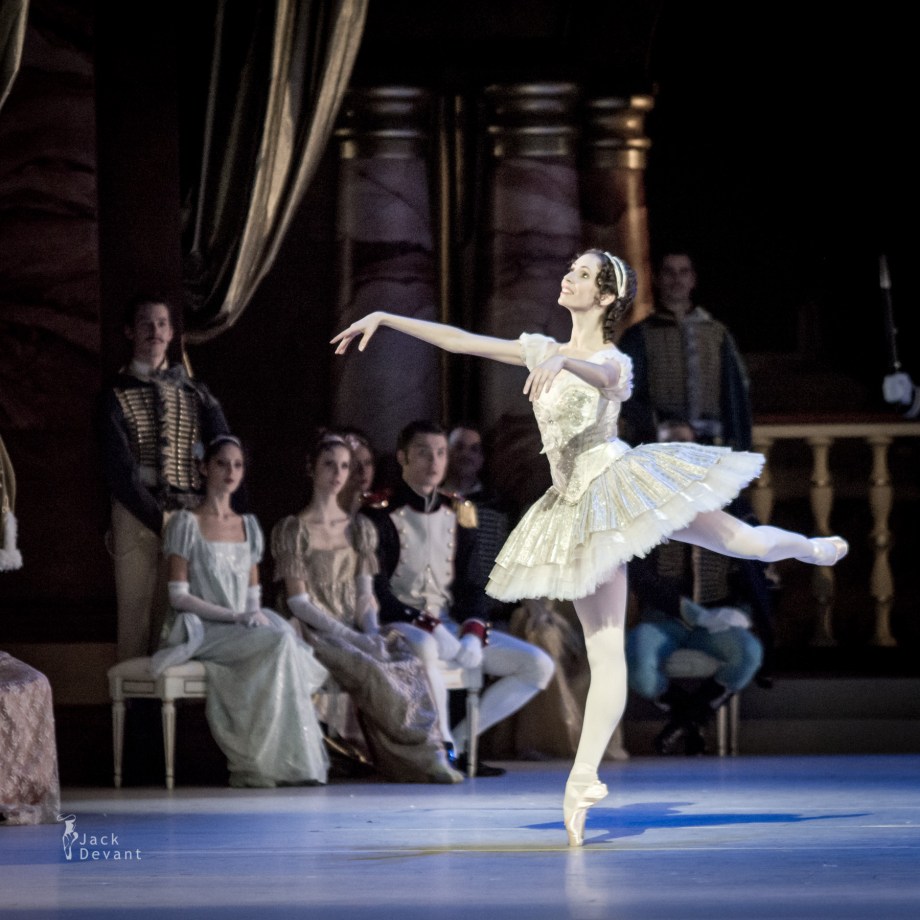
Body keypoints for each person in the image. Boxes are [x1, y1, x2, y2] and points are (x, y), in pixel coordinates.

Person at [332, 247, 848, 846]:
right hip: (577, 509)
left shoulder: (612, 358)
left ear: (604, 296)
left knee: (741, 540)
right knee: (607, 657)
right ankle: (582, 781)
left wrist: (563, 363)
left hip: (621, 482)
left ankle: (808, 549)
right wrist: (388, 319)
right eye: (569, 269)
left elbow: (603, 377)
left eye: (580, 275)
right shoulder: (540, 347)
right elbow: (461, 340)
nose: (566, 277)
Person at [359, 419, 556, 778]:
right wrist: (431, 625)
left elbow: (470, 584)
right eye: (423, 453)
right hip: (400, 623)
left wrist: (473, 629)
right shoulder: (378, 512)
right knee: (429, 646)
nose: (434, 462)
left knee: (537, 665)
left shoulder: (459, 511)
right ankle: (443, 746)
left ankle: (460, 745)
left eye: (439, 453)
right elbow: (379, 591)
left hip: (449, 623)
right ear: (402, 457)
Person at [270, 432, 463, 784]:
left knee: (403, 656)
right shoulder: (293, 528)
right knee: (372, 669)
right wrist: (353, 638)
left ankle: (425, 751)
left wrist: (372, 632)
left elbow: (363, 595)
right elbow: (299, 601)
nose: (338, 473)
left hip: (355, 627)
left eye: (344, 466)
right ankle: (419, 759)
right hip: (317, 630)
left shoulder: (359, 528)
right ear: (311, 469)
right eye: (329, 464)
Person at [150, 435, 329, 788]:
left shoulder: (247, 526)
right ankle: (257, 761)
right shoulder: (186, 523)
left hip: (241, 624)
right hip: (203, 627)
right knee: (278, 642)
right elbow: (179, 596)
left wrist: (251, 614)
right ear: (204, 467)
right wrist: (235, 618)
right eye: (222, 463)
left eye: (237, 465)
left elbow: (252, 591)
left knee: (284, 639)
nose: (230, 471)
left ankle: (287, 759)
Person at [626, 417, 774, 756]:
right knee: (638, 662)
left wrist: (741, 611)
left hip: (719, 614)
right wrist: (689, 612)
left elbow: (754, 566)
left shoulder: (732, 506)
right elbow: (641, 576)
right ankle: (690, 720)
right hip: (665, 619)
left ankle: (684, 722)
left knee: (748, 654)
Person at [95, 294, 230, 660]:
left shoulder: (196, 393)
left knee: (173, 622)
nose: (154, 331)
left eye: (161, 324)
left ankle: (164, 715)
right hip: (135, 515)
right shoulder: (115, 394)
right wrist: (157, 518)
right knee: (135, 618)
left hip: (187, 516)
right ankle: (133, 717)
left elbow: (224, 450)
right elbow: (120, 470)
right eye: (145, 324)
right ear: (129, 331)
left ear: (171, 333)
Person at [617, 250, 753, 450]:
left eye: (683, 272)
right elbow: (621, 392)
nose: (676, 279)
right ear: (657, 279)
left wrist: (740, 446)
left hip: (709, 445)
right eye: (669, 273)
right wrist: (659, 426)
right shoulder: (639, 336)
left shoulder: (716, 334)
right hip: (655, 444)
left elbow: (735, 395)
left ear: (693, 279)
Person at [443, 422, 515, 622]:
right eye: (459, 447)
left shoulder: (499, 507)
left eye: (474, 450)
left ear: (482, 459)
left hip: (488, 615)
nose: (466, 454)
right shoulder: (431, 502)